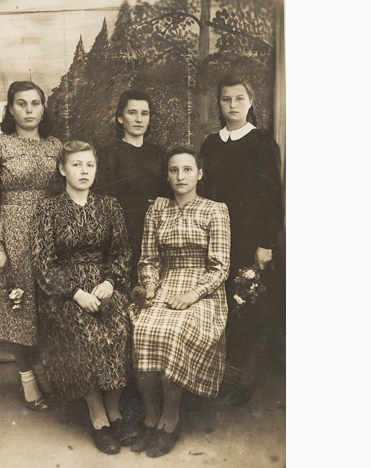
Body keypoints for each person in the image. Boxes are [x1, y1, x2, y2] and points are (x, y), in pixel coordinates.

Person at [128, 146, 230, 458]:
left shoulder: (215, 210)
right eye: (174, 170)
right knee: (143, 329)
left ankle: (169, 420)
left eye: (187, 169)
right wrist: (149, 286)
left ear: (200, 174)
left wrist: (192, 295)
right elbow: (148, 259)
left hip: (203, 290)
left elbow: (220, 267)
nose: (180, 176)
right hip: (166, 283)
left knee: (174, 331)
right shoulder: (157, 211)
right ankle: (151, 416)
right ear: (167, 176)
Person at [32, 141, 132, 455]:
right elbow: (43, 263)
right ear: (63, 169)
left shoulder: (110, 206)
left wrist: (110, 282)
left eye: (89, 165)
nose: (84, 171)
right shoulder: (48, 209)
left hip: (103, 286)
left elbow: (121, 253)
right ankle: (98, 416)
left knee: (119, 328)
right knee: (87, 334)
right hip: (64, 294)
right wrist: (76, 293)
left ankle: (114, 409)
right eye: (76, 165)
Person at [0, 80, 61, 412]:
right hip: (12, 237)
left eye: (35, 103)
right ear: (10, 109)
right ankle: (28, 380)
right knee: (18, 309)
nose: (28, 110)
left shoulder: (56, 146)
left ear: (43, 108)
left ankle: (48, 373)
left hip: (50, 236)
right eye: (21, 104)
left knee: (48, 307)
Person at [199, 74, 283, 404]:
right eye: (226, 99)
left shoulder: (261, 141)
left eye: (239, 99)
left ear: (251, 102)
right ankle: (219, 377)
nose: (232, 105)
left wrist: (267, 243)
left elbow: (273, 195)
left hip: (251, 237)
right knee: (221, 304)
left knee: (247, 305)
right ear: (219, 104)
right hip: (218, 236)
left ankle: (242, 384)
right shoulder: (211, 143)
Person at [92, 90, 170, 287]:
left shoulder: (159, 154)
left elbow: (169, 189)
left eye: (144, 113)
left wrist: (165, 197)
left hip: (155, 231)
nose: (139, 119)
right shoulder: (108, 154)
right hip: (123, 231)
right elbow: (104, 200)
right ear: (120, 118)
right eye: (132, 113)